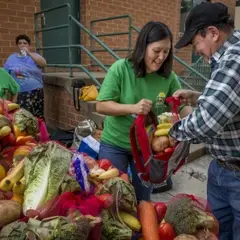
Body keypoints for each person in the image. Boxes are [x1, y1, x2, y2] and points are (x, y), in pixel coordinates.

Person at [96, 21, 192, 201]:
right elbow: (101, 105)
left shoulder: (169, 77)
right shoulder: (121, 69)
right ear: (143, 46)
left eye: (166, 51)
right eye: (157, 51)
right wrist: (132, 108)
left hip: (147, 149)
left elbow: (181, 106)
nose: (162, 56)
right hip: (115, 144)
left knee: (143, 198)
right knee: (112, 197)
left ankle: (141, 228)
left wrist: (192, 118)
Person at [169, 2, 240, 240]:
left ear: (212, 32)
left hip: (237, 177)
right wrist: (199, 97)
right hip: (221, 167)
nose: (195, 50)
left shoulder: (235, 58)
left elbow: (207, 122)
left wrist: (170, 132)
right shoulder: (225, 56)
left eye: (195, 42)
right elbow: (230, 101)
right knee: (216, 234)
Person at [4, 34, 47, 118]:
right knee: (20, 118)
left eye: (25, 43)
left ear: (29, 45)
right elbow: (6, 74)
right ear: (17, 45)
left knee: (35, 117)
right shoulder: (11, 58)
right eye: (20, 43)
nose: (22, 45)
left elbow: (43, 64)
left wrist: (29, 53)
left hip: (34, 92)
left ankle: (39, 131)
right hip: (18, 94)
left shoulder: (34, 56)